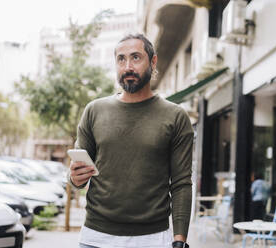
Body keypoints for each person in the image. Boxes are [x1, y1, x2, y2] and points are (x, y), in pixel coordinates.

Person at [68, 34, 193, 248]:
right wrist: (75, 178)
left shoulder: (175, 116)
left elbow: (181, 183)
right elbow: (77, 175)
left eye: (136, 58)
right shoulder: (94, 111)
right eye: (121, 59)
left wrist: (179, 239)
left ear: (152, 62)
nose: (128, 66)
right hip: (95, 237)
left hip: (152, 239)